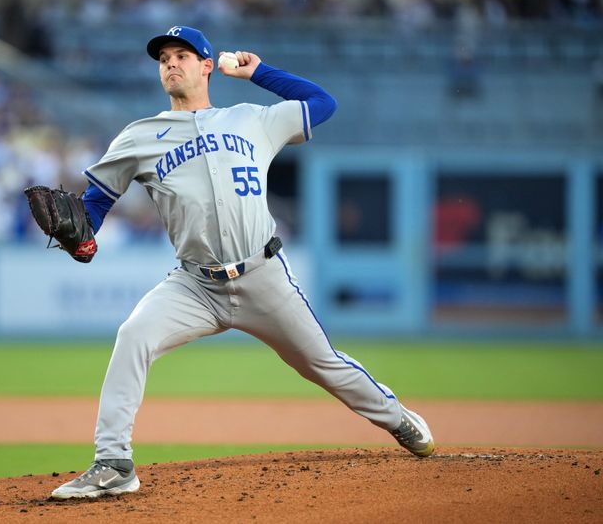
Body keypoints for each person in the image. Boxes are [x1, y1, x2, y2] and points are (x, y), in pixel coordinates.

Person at [50, 26, 435, 500]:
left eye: (183, 55)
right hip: (194, 286)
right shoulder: (139, 137)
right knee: (133, 335)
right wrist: (78, 235)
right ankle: (113, 462)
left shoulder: (252, 118)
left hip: (263, 276)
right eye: (164, 57)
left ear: (207, 65)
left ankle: (397, 418)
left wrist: (259, 73)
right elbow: (93, 205)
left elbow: (323, 104)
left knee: (324, 365)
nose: (171, 63)